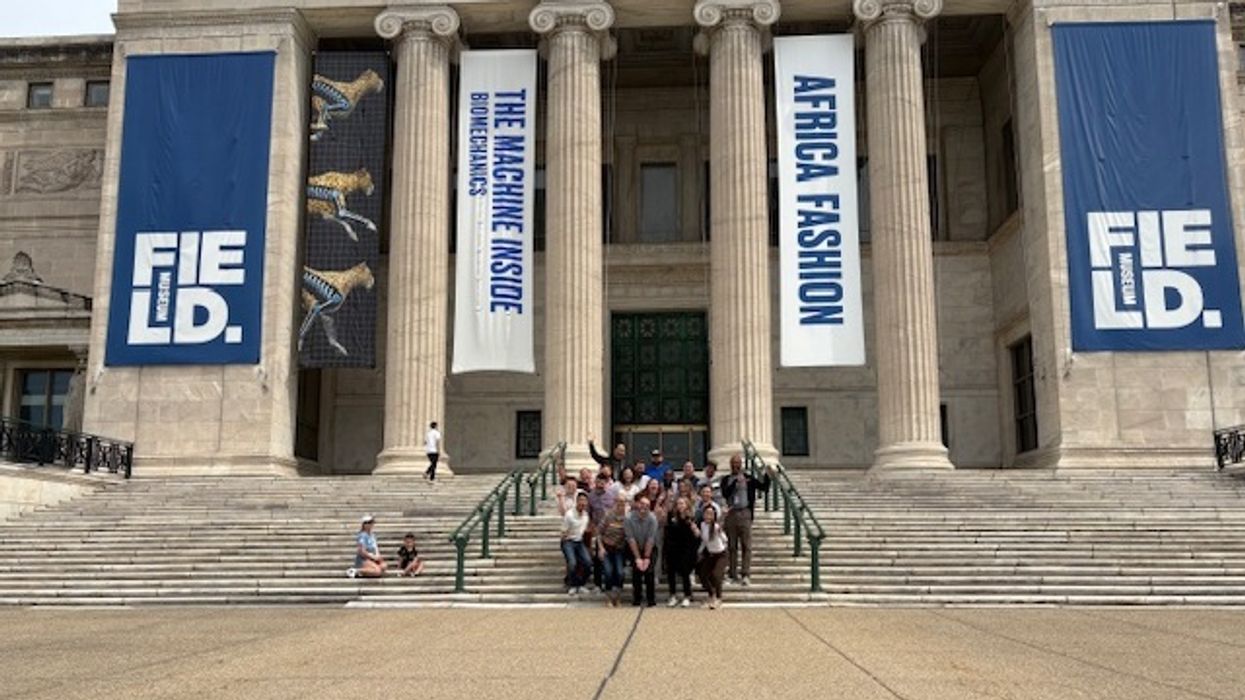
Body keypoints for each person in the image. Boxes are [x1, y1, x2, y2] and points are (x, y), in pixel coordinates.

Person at [720, 454, 770, 587]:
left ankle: (745, 574)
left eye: (738, 463)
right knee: (731, 546)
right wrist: (735, 482)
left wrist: (767, 475)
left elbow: (763, 487)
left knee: (746, 546)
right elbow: (725, 493)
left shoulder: (748, 478)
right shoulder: (726, 479)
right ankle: (732, 574)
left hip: (745, 513)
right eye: (733, 463)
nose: (736, 465)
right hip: (731, 513)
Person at [664, 496, 700, 607]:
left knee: (685, 572)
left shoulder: (691, 517)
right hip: (672, 548)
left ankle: (687, 595)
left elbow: (697, 534)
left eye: (682, 503)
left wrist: (692, 527)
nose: (680, 505)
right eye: (678, 503)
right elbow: (668, 531)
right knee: (671, 573)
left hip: (686, 549)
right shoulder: (672, 516)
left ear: (687, 505)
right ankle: (673, 595)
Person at [625, 495, 659, 607]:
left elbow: (651, 539)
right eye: (642, 504)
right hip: (635, 547)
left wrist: (646, 558)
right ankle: (637, 599)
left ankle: (651, 600)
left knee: (649, 572)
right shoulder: (628, 518)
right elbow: (631, 539)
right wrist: (638, 558)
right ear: (637, 504)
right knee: (637, 573)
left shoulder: (652, 518)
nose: (644, 507)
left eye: (647, 505)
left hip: (650, 548)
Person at [596, 497, 628, 607]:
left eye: (623, 504)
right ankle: (608, 597)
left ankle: (617, 597)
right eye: (619, 503)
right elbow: (599, 533)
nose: (620, 506)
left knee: (620, 572)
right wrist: (600, 548)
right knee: (608, 572)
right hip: (606, 547)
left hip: (618, 549)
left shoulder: (627, 518)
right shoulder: (608, 516)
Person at [697, 501, 729, 609]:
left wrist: (720, 532)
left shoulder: (715, 526)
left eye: (711, 514)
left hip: (720, 554)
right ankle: (712, 594)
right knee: (703, 575)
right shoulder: (702, 525)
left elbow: (725, 540)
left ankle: (719, 598)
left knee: (716, 575)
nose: (708, 516)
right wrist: (700, 551)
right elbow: (704, 541)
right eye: (706, 513)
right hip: (710, 554)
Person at [561, 492, 593, 595]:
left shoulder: (586, 515)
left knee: (588, 562)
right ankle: (572, 585)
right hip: (568, 541)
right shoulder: (569, 514)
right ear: (577, 501)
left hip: (579, 541)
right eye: (581, 500)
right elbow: (563, 532)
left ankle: (581, 584)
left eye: (585, 501)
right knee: (572, 563)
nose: (583, 503)